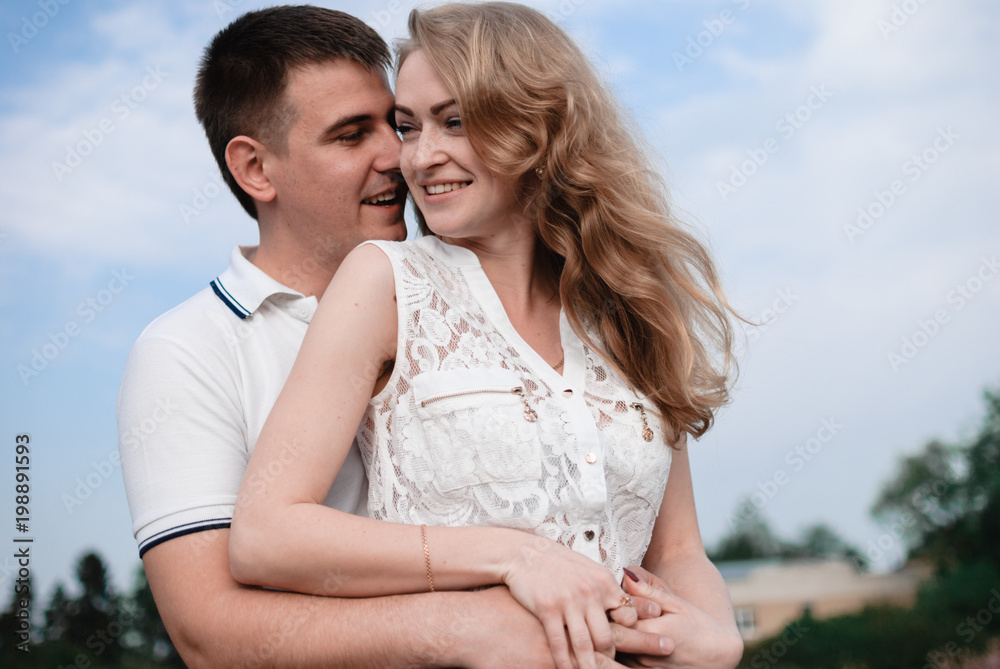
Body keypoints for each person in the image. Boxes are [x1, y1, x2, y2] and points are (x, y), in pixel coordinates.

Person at [117, 6, 668, 668]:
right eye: (353, 136)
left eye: (396, 124)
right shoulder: (187, 350)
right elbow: (211, 631)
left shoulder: (497, 301)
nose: (401, 156)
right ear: (257, 169)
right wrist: (468, 625)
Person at [229, 3, 744, 669]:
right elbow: (268, 533)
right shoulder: (385, 281)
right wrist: (514, 554)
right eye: (409, 127)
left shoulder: (629, 304)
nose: (419, 156)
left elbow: (677, 551)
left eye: (456, 121)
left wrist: (717, 635)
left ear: (540, 126)